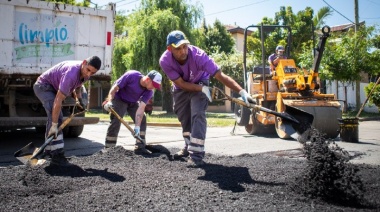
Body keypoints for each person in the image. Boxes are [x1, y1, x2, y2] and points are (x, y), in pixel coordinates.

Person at [159, 30, 254, 167]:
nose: (183, 51)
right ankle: (188, 146)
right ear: (170, 49)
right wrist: (201, 89)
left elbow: (221, 76)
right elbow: (181, 84)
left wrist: (242, 92)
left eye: (185, 46)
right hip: (181, 87)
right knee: (183, 115)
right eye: (178, 48)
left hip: (201, 81)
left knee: (197, 113)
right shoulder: (165, 61)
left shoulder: (199, 56)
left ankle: (196, 155)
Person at [33, 55, 101, 166]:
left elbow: (78, 86)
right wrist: (55, 125)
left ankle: (49, 152)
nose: (88, 74)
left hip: (54, 87)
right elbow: (58, 100)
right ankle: (57, 156)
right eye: (88, 70)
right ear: (84, 62)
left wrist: (79, 100)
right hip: (43, 86)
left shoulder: (86, 73)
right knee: (56, 118)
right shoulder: (71, 74)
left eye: (92, 73)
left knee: (54, 119)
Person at [103, 70, 162, 154]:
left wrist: (137, 126)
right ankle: (109, 148)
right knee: (116, 119)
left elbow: (141, 108)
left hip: (133, 102)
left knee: (143, 120)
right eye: (154, 85)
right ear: (148, 79)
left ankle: (140, 147)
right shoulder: (131, 75)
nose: (154, 88)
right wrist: (109, 102)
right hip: (120, 99)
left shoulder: (149, 91)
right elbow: (114, 89)